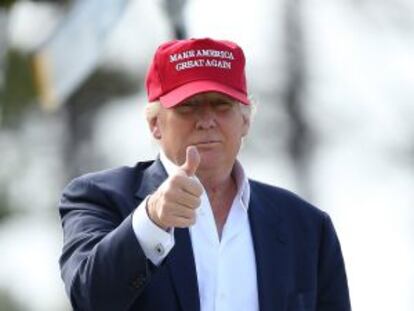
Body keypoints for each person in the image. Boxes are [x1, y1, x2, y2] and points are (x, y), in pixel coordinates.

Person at [58, 38, 351, 311]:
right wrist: (152, 220)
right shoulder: (99, 198)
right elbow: (89, 298)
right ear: (154, 124)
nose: (207, 121)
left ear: (246, 120)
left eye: (222, 105)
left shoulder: (307, 226)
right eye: (188, 106)